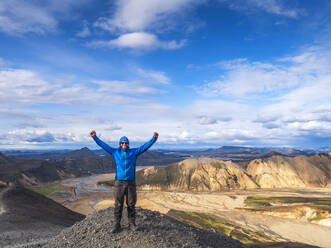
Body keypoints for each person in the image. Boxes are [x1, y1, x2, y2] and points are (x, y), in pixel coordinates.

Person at [90, 130, 158, 233]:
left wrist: (154, 138)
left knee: (131, 204)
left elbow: (144, 147)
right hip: (119, 183)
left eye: (126, 142)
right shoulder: (115, 152)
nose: (124, 144)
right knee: (118, 204)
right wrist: (95, 137)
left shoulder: (133, 152)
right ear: (120, 144)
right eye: (122, 143)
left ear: (128, 144)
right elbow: (104, 145)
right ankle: (117, 225)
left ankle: (132, 224)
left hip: (131, 182)